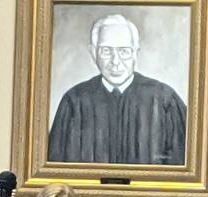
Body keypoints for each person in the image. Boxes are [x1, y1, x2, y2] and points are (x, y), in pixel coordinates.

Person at [48, 14, 186, 165]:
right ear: (93, 53)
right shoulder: (74, 101)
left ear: (135, 53)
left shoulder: (165, 100)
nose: (115, 62)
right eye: (106, 51)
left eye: (124, 51)